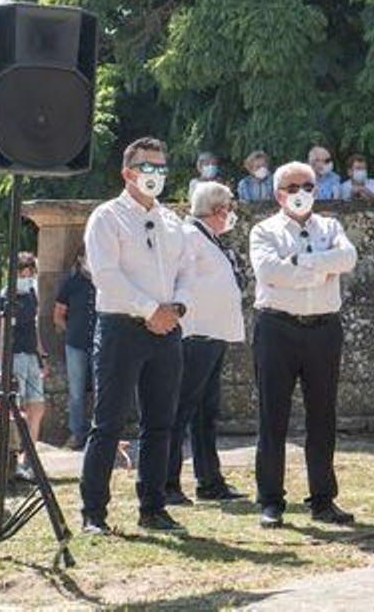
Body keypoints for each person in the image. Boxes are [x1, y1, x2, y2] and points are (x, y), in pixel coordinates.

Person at [79, 136, 193, 535]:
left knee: (161, 422)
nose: (156, 175)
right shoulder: (107, 217)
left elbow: (187, 271)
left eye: (162, 168)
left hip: (167, 331)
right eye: (148, 167)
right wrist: (150, 310)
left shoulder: (172, 221)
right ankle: (94, 513)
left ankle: (153, 507)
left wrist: (175, 308)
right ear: (127, 172)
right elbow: (106, 275)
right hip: (121, 329)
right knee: (107, 423)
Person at [249, 161, 358, 528]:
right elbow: (270, 273)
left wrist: (300, 262)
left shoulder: (330, 226)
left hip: (323, 329)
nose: (302, 193)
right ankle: (271, 501)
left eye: (308, 186)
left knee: (323, 416)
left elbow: (348, 258)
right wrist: (319, 271)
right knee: (272, 417)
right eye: (294, 186)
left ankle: (323, 499)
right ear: (279, 194)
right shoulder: (264, 230)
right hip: (277, 327)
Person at [166, 181, 247, 505]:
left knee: (205, 413)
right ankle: (168, 482)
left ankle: (209, 480)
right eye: (228, 206)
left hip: (213, 334)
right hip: (195, 335)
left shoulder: (207, 238)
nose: (231, 213)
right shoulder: (189, 236)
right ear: (218, 210)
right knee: (181, 410)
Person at [7, 254, 49, 481]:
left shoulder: (32, 292)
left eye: (30, 271)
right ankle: (13, 463)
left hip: (31, 356)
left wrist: (42, 354)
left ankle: (30, 459)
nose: (27, 275)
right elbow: (0, 327)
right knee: (17, 410)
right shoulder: (7, 295)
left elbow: (35, 325)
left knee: (37, 407)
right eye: (23, 271)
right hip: (14, 356)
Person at [53, 248, 97, 448]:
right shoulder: (71, 284)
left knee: (102, 390)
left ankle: (100, 435)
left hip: (101, 346)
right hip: (76, 345)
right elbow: (58, 315)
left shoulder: (104, 282)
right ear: (80, 259)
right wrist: (71, 330)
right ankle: (77, 433)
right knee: (77, 391)